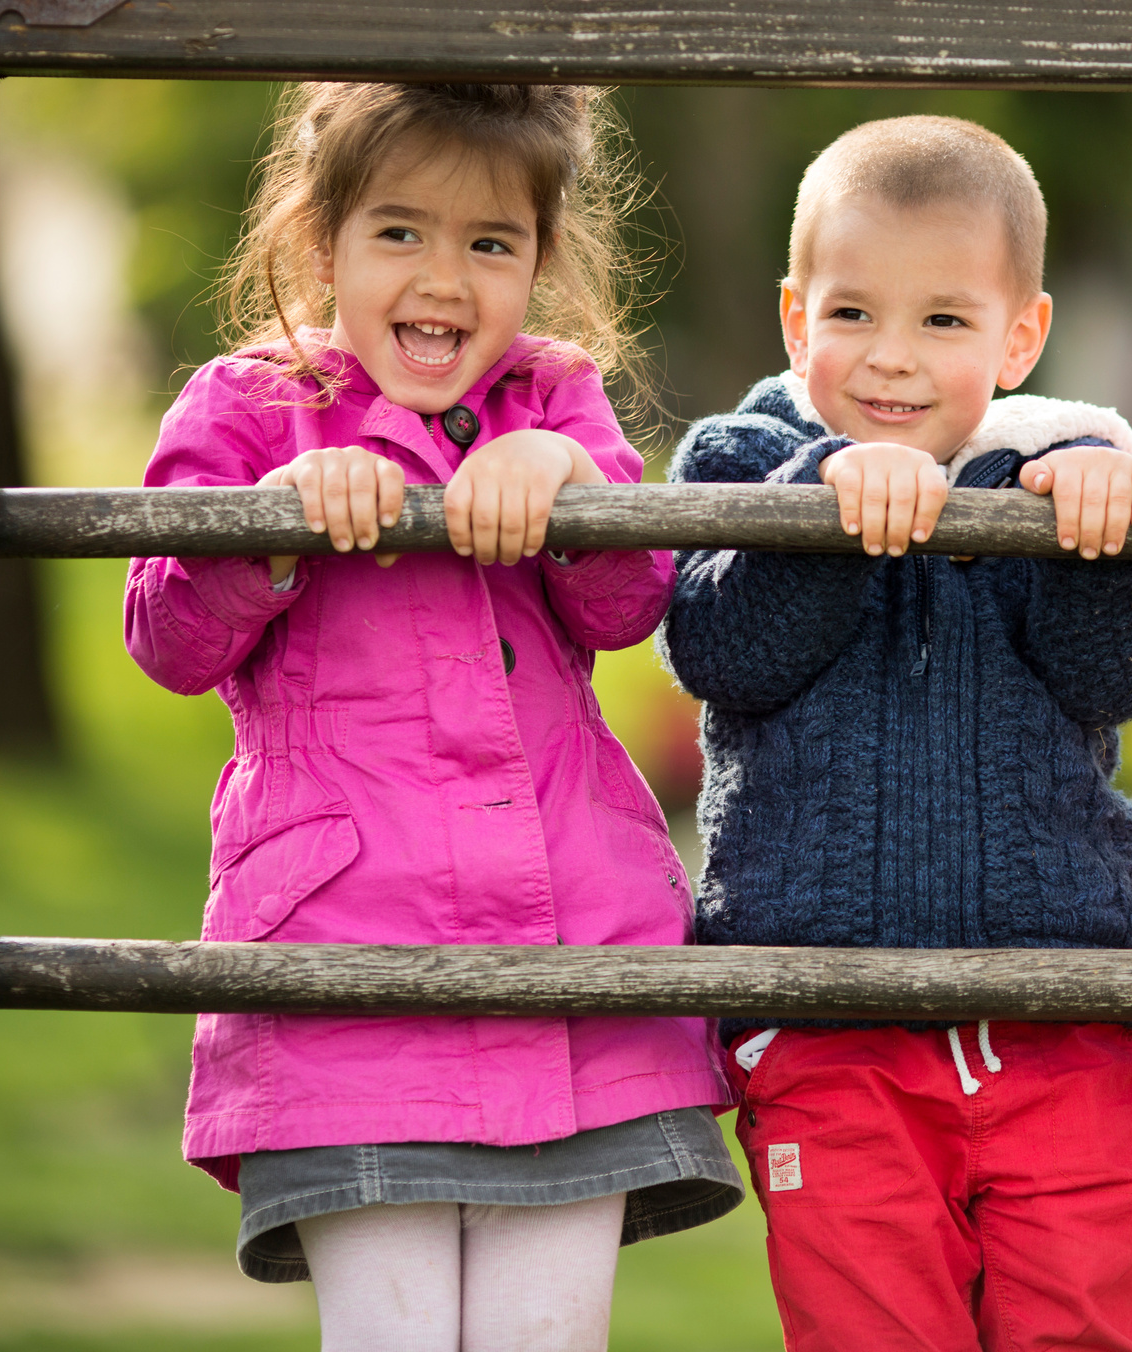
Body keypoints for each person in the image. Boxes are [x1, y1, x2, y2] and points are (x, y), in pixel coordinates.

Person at [125, 81, 739, 1352]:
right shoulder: (246, 406)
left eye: (490, 243)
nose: (445, 279)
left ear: (541, 262)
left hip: (568, 956)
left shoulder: (555, 397)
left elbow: (630, 605)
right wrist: (275, 519)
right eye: (400, 232)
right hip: (348, 957)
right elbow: (169, 638)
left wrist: (569, 480)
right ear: (322, 241)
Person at [660, 115, 1132, 1352]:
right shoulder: (744, 457)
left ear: (1019, 335)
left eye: (944, 321)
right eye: (852, 315)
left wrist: (1097, 534)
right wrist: (821, 507)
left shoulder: (1057, 471)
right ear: (796, 319)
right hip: (831, 1029)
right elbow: (721, 652)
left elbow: (1115, 679)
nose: (891, 359)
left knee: (1081, 1325)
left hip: (1062, 1018)